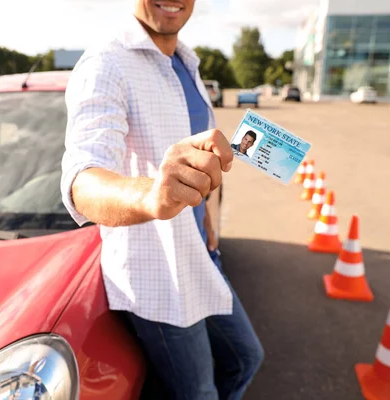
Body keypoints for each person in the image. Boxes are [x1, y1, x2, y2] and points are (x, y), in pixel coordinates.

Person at [61, 1, 264, 398]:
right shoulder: (106, 62)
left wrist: (211, 215)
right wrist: (152, 194)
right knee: (199, 393)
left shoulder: (185, 61)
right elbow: (82, 178)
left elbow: (199, 149)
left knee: (246, 359)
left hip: (201, 256)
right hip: (159, 275)